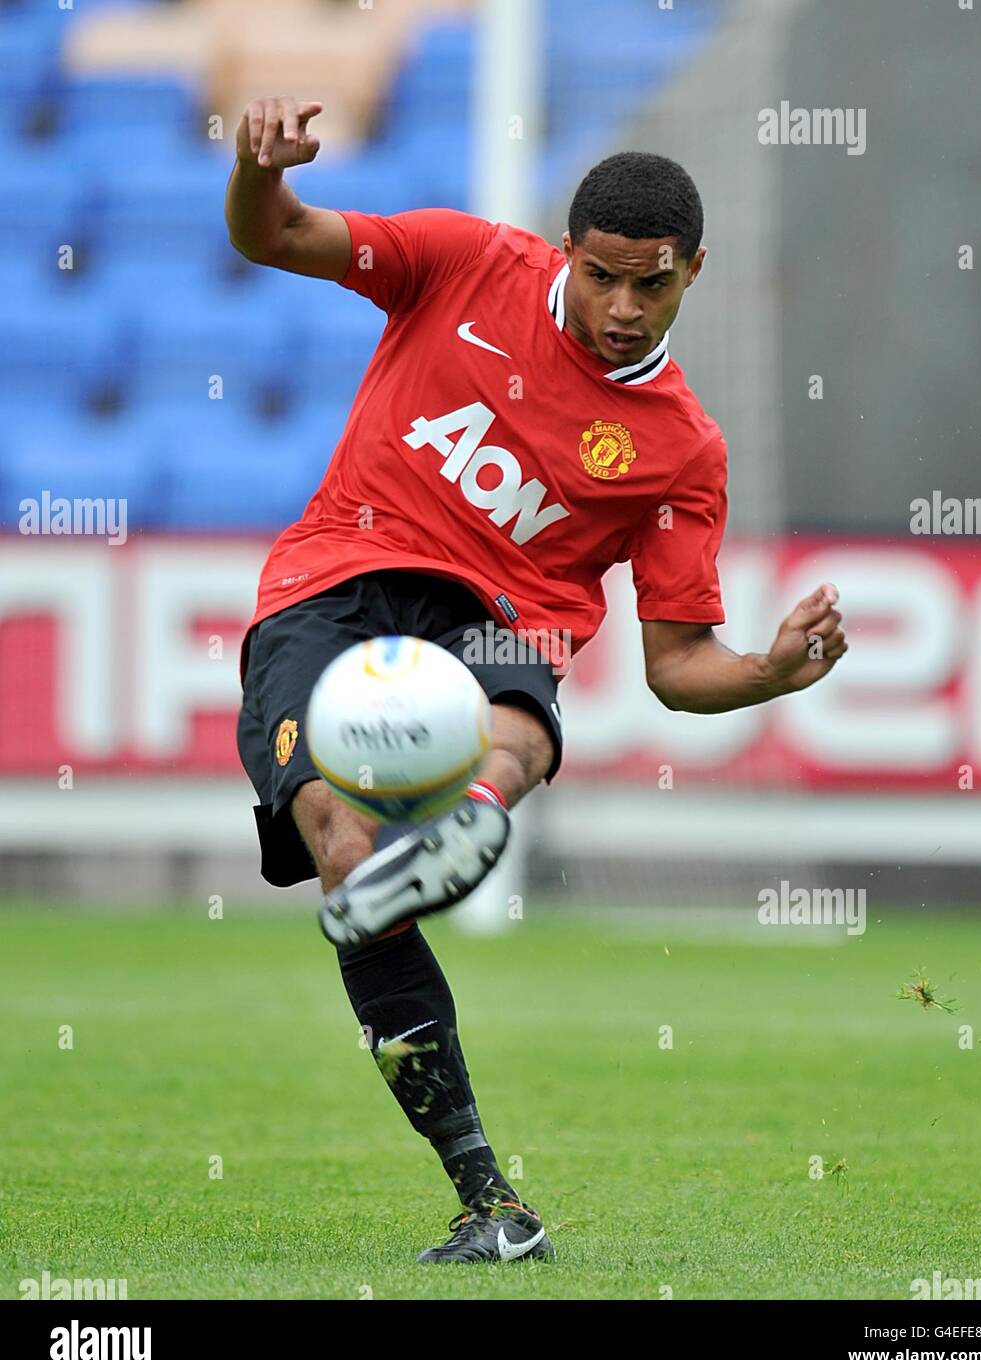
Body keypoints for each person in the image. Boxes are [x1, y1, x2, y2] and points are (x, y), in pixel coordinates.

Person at [226, 96, 848, 1264]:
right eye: (603, 277)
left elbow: (675, 668)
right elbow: (276, 239)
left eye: (651, 287)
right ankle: (489, 1203)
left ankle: (476, 815)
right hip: (335, 575)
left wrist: (766, 671)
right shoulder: (463, 262)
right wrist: (257, 174)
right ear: (567, 252)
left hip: (495, 617)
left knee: (509, 711)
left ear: (692, 273)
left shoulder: (680, 450)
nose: (622, 309)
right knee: (346, 860)